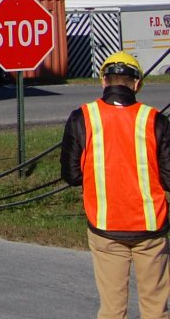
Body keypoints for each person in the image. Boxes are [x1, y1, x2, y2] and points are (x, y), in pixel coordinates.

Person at [61, 51, 170, 319]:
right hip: (150, 228)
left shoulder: (82, 118)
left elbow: (72, 175)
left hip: (105, 227)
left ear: (103, 82)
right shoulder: (155, 119)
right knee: (155, 308)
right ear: (137, 84)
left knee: (112, 309)